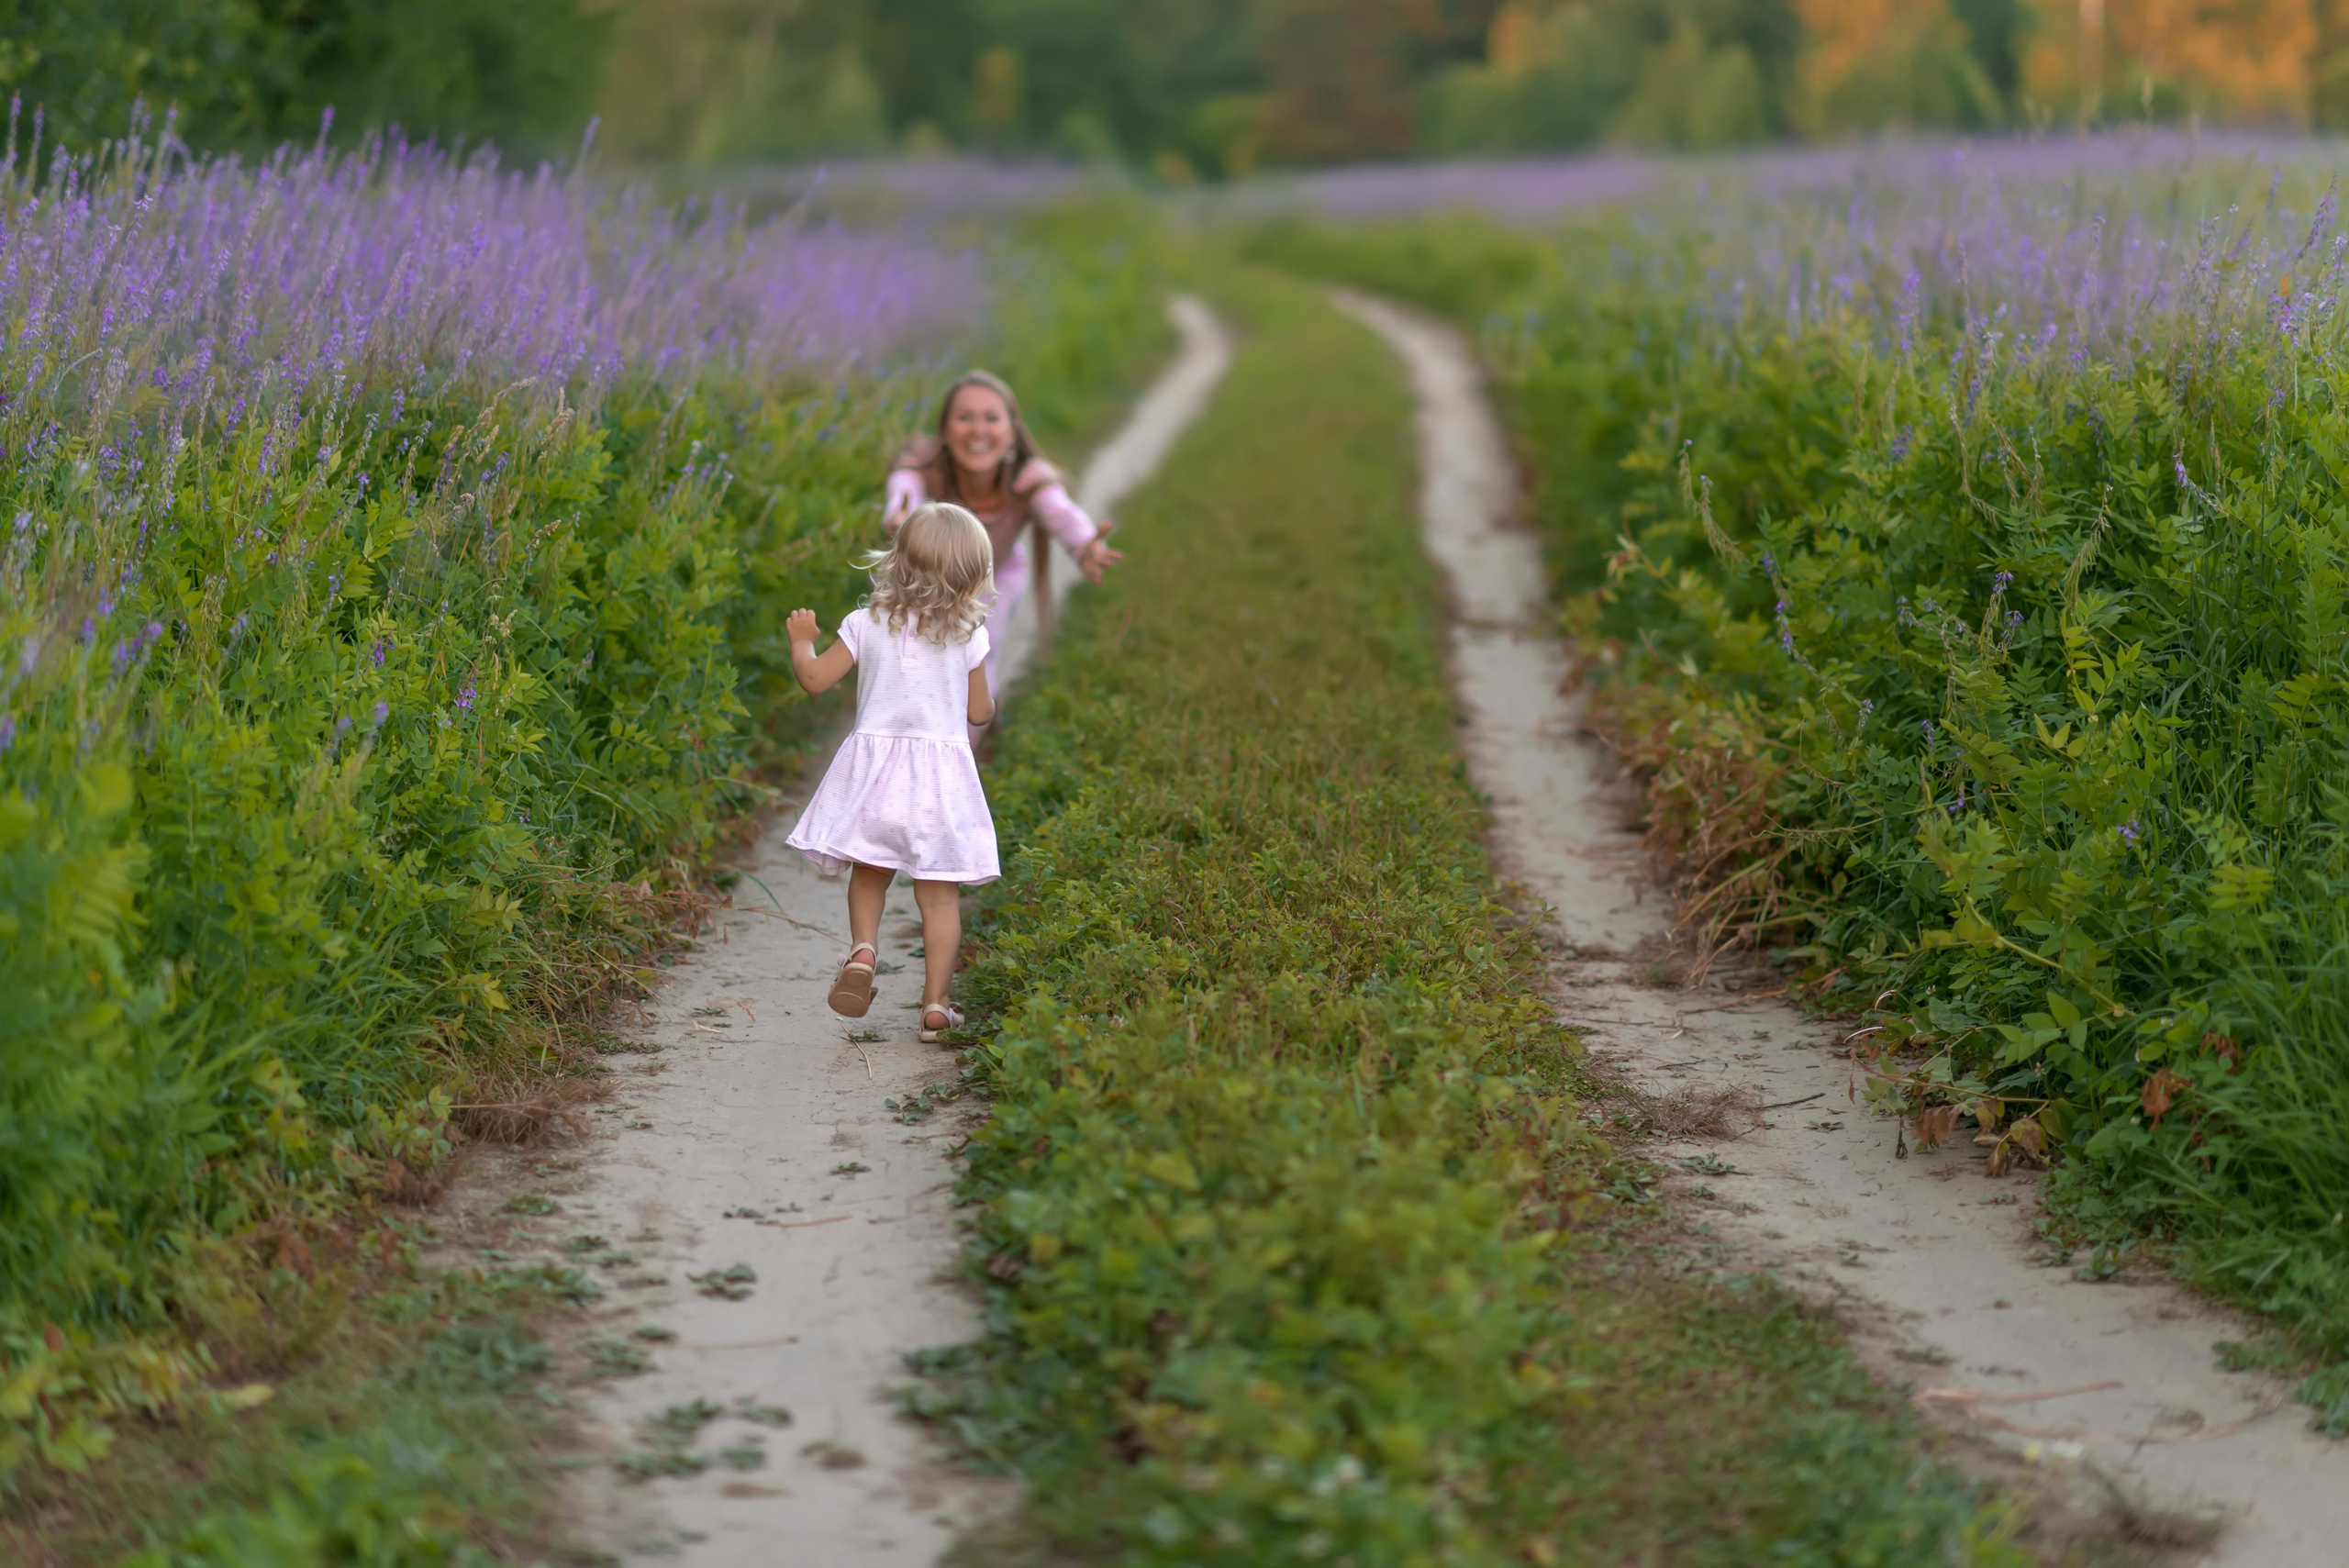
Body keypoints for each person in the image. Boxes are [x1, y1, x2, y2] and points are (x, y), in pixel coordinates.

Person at [784, 502, 999, 1043]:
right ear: (973, 577)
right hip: (940, 787)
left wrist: (802, 640)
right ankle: (935, 1005)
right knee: (940, 898)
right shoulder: (969, 635)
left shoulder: (866, 624)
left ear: (896, 561)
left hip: (876, 779)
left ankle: (863, 952)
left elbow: (814, 680)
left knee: (870, 872)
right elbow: (979, 713)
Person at [884, 370, 1120, 706]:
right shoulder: (925, 467)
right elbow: (903, 491)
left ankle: (973, 730)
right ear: (945, 433)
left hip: (995, 577)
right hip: (927, 583)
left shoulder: (1027, 479)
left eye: (992, 418)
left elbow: (1059, 510)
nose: (978, 430)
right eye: (964, 418)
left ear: (1012, 434)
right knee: (913, 661)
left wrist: (1084, 544)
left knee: (977, 653)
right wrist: (900, 516)